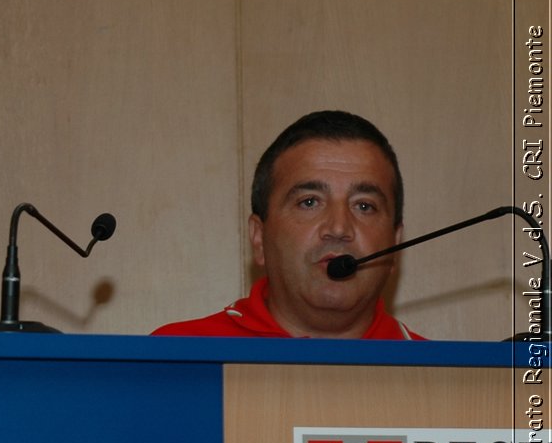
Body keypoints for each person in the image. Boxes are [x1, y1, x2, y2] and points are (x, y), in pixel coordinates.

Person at [154, 109, 422, 339]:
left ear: (395, 244)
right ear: (259, 238)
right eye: (309, 202)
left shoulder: (446, 380)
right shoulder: (171, 362)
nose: (339, 228)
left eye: (364, 206)